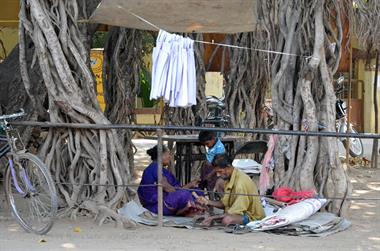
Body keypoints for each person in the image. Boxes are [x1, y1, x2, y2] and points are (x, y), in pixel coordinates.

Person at [196, 154, 265, 226]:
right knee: (219, 182)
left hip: (252, 217)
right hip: (238, 213)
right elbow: (224, 204)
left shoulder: (240, 184)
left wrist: (213, 218)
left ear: (228, 167)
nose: (218, 175)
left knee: (227, 220)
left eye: (220, 171)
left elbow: (235, 212)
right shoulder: (230, 178)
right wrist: (207, 202)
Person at [138, 145, 204, 216]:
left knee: (198, 191)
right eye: (167, 154)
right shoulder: (154, 168)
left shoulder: (163, 170)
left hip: (167, 199)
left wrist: (191, 184)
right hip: (157, 206)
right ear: (160, 156)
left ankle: (189, 208)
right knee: (184, 194)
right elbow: (167, 188)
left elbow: (176, 189)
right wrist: (182, 194)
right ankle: (187, 210)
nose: (170, 157)